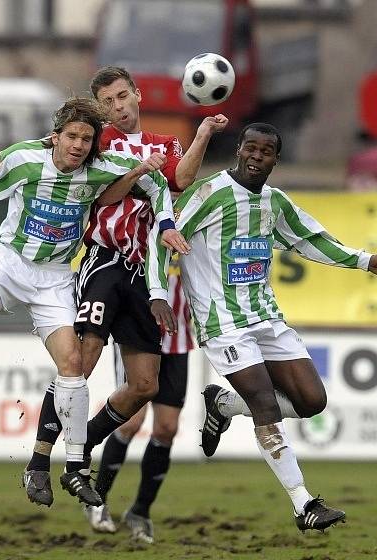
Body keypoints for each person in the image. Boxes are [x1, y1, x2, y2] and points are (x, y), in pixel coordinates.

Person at [0, 97, 188, 507]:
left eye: (86, 138)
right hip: (10, 261)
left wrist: (167, 223)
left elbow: (156, 186)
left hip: (54, 278)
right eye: (72, 137)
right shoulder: (24, 159)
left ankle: (74, 468)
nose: (79, 145)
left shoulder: (103, 167)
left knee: (72, 365)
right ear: (56, 136)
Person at [173, 122, 377, 532]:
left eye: (265, 152)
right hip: (223, 322)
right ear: (240, 150)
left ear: (275, 159)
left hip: (266, 318)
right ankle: (304, 504)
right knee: (266, 405)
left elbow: (310, 238)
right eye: (250, 148)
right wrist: (159, 294)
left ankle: (222, 405)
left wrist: (365, 261)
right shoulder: (209, 193)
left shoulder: (274, 202)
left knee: (311, 402)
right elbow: (168, 237)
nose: (255, 156)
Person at [24, 66, 226, 518]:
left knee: (144, 385)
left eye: (121, 97)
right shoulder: (99, 144)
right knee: (81, 362)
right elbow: (109, 200)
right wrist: (138, 171)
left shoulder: (163, 143)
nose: (118, 107)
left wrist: (204, 134)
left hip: (141, 270)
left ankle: (82, 452)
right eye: (108, 103)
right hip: (102, 261)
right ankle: (40, 460)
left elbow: (181, 180)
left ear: (136, 94)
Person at [86, 259, 193, 544]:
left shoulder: (194, 225)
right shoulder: (146, 223)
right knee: (132, 421)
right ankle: (97, 500)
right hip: (139, 336)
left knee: (167, 429)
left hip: (178, 341)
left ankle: (140, 512)